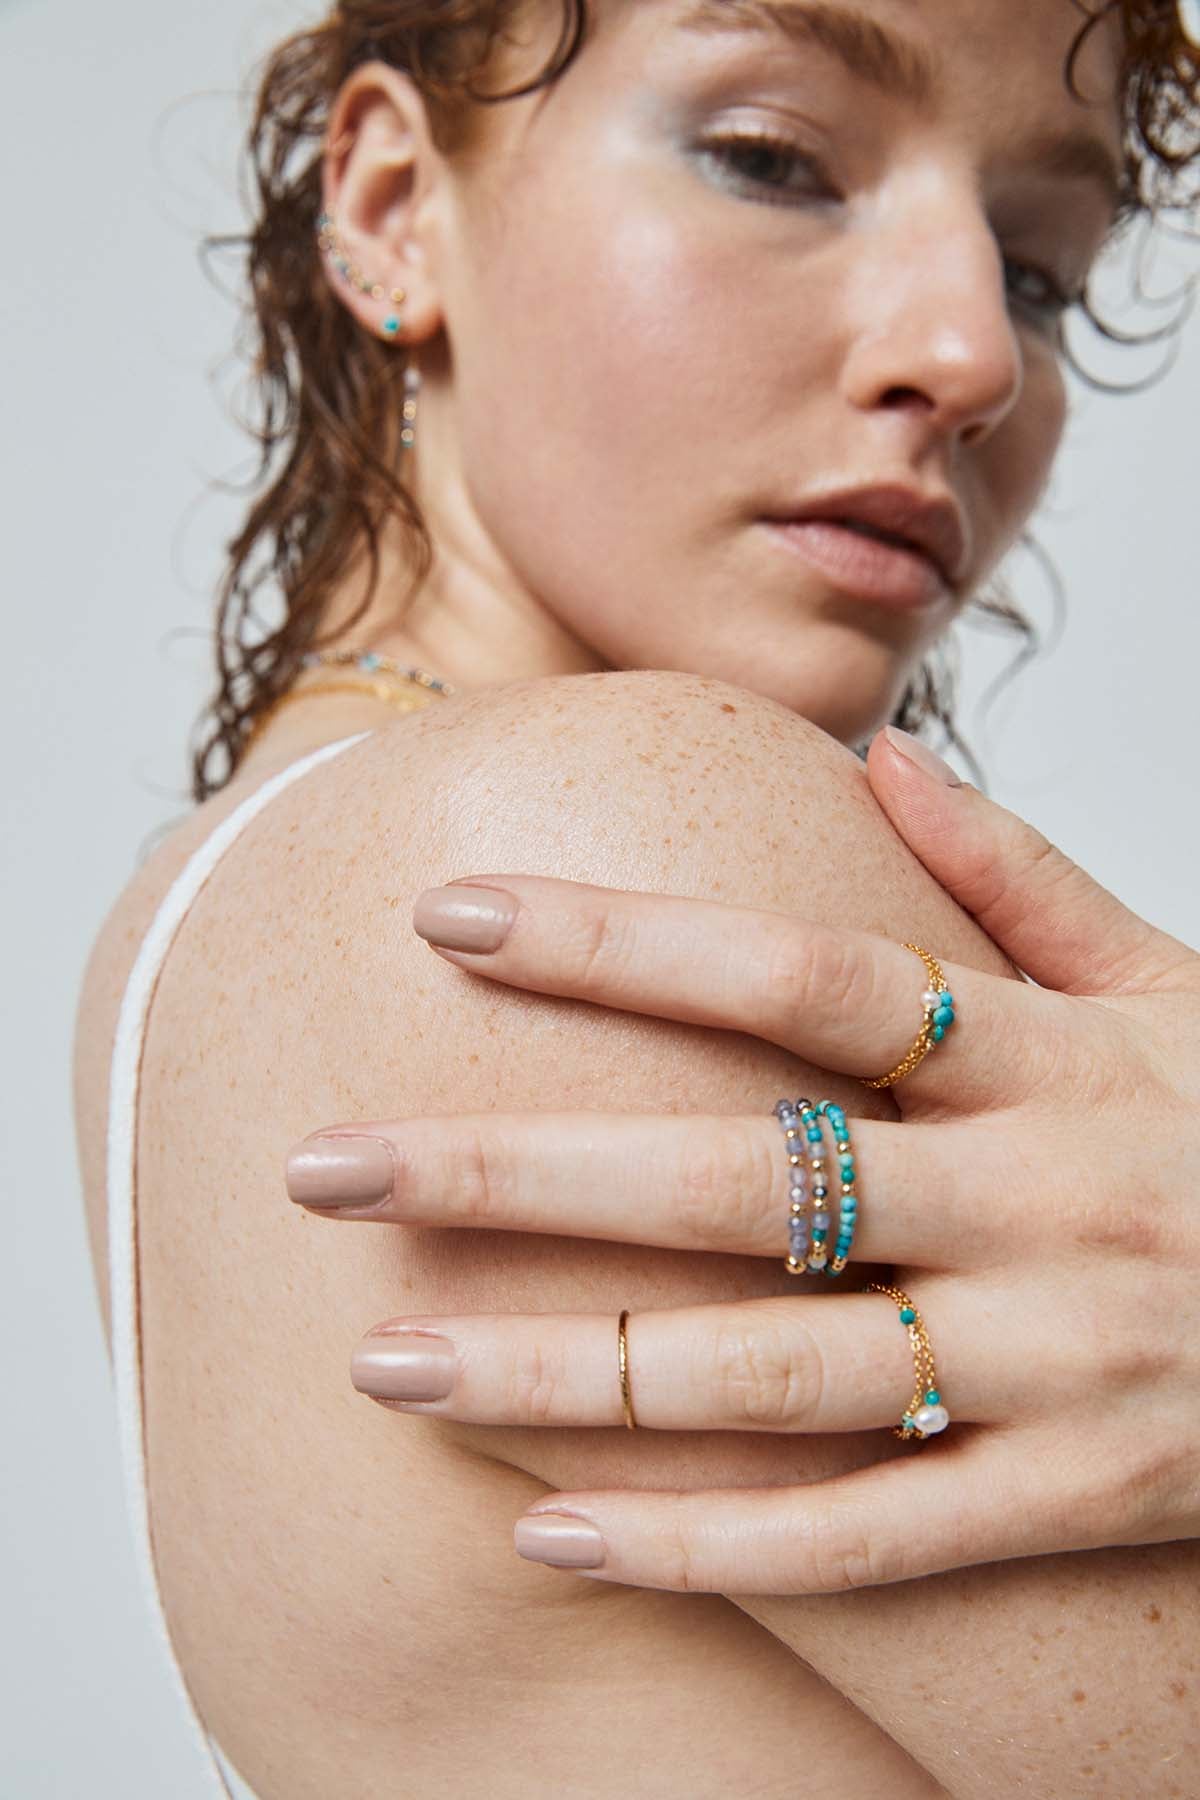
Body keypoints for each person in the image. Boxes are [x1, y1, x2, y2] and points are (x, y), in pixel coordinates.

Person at [71, 0, 1200, 1795]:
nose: (973, 353)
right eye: (774, 161)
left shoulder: (235, 893)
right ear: (391, 206)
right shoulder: (585, 846)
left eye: (1040, 273)